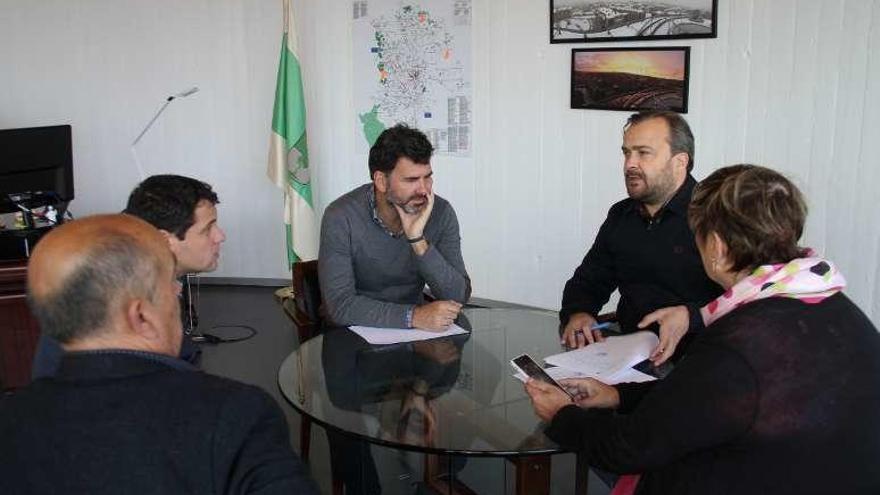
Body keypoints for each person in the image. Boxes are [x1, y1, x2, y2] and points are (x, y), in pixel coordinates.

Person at [526, 165, 880, 494]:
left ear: (718, 248)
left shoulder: (743, 340)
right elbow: (705, 404)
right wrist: (620, 396)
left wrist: (562, 416)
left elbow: (630, 448)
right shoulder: (833, 304)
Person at [0, 214, 317, 494]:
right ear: (141, 316)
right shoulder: (234, 415)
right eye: (171, 286)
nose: (178, 293)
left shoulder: (11, 422)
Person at [559, 110, 721, 365]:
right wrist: (579, 312)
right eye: (626, 153)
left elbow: (751, 296)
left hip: (698, 364)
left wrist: (695, 316)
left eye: (643, 153)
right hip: (627, 357)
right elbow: (590, 279)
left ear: (680, 161)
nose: (629, 164)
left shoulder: (718, 216)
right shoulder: (622, 214)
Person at [31, 174, 226, 377]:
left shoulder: (137, 276)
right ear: (164, 240)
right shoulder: (122, 303)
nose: (220, 236)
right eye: (207, 229)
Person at [319, 123, 470, 330]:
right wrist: (414, 317)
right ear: (381, 181)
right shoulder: (340, 216)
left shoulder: (441, 212)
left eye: (428, 177)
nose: (424, 190)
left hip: (416, 337)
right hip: (356, 332)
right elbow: (340, 306)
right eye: (411, 180)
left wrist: (418, 241)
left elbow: (457, 296)